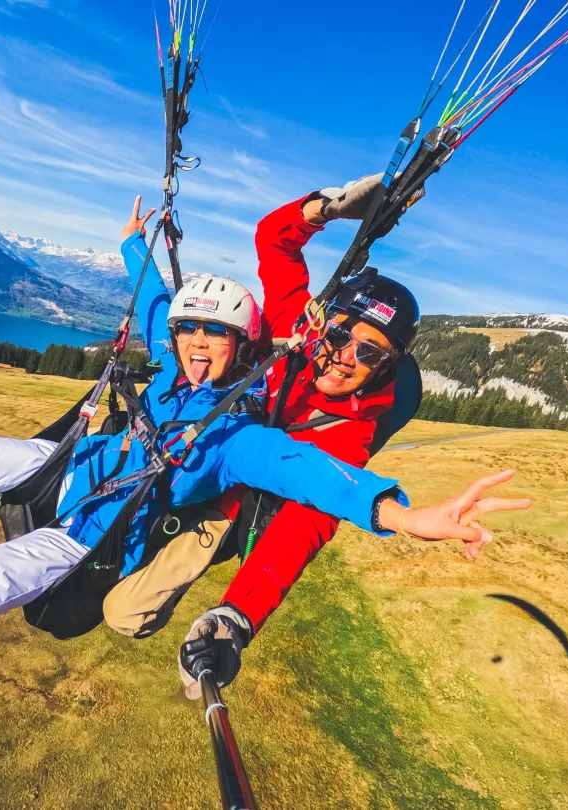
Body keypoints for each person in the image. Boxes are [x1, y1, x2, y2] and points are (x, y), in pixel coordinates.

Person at [0, 196, 529, 792]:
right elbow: (162, 301)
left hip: (90, 532)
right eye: (191, 331)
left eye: (217, 336)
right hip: (60, 470)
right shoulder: (180, 345)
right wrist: (134, 243)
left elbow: (318, 480)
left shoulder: (244, 436)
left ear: (246, 350)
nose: (196, 344)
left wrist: (407, 514)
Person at [99, 179, 434, 695]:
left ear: (387, 369)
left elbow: (307, 522)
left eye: (369, 353)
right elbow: (273, 241)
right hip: (187, 456)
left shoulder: (351, 431)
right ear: (324, 324)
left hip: (230, 504)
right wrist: (328, 208)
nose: (346, 356)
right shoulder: (293, 328)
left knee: (124, 612)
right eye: (342, 335)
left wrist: (236, 616)